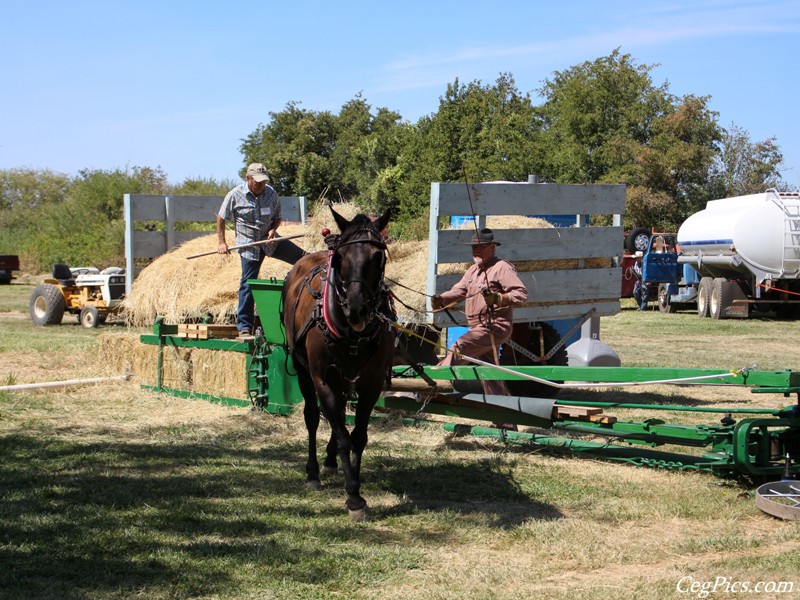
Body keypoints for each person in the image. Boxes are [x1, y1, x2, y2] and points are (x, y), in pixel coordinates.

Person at [431, 228, 528, 401]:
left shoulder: (502, 268)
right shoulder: (472, 271)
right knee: (489, 374)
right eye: (474, 247)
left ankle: (433, 381)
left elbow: (521, 295)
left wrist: (499, 298)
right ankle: (503, 415)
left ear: (492, 247)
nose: (476, 251)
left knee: (461, 345)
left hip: (496, 326)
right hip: (479, 328)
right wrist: (441, 299)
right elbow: (458, 291)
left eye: (481, 247)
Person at [217, 163, 303, 336]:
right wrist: (221, 242)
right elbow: (221, 217)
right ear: (248, 178)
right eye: (258, 182)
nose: (261, 185)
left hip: (270, 241)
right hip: (249, 245)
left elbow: (277, 217)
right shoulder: (235, 195)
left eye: (263, 181)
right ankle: (244, 327)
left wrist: (272, 229)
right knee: (247, 284)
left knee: (303, 259)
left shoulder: (271, 192)